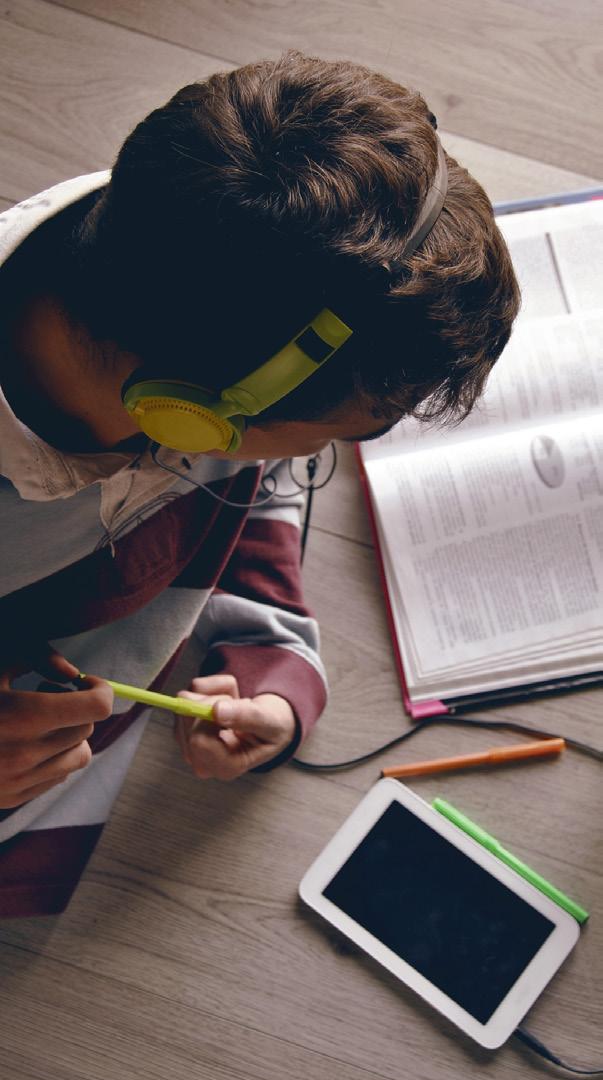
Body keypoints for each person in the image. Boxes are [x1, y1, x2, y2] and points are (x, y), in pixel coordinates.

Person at [0, 51, 520, 916]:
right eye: (323, 442)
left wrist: (275, 656)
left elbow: (252, 482)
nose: (299, 465)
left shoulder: (202, 271)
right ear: (186, 414)